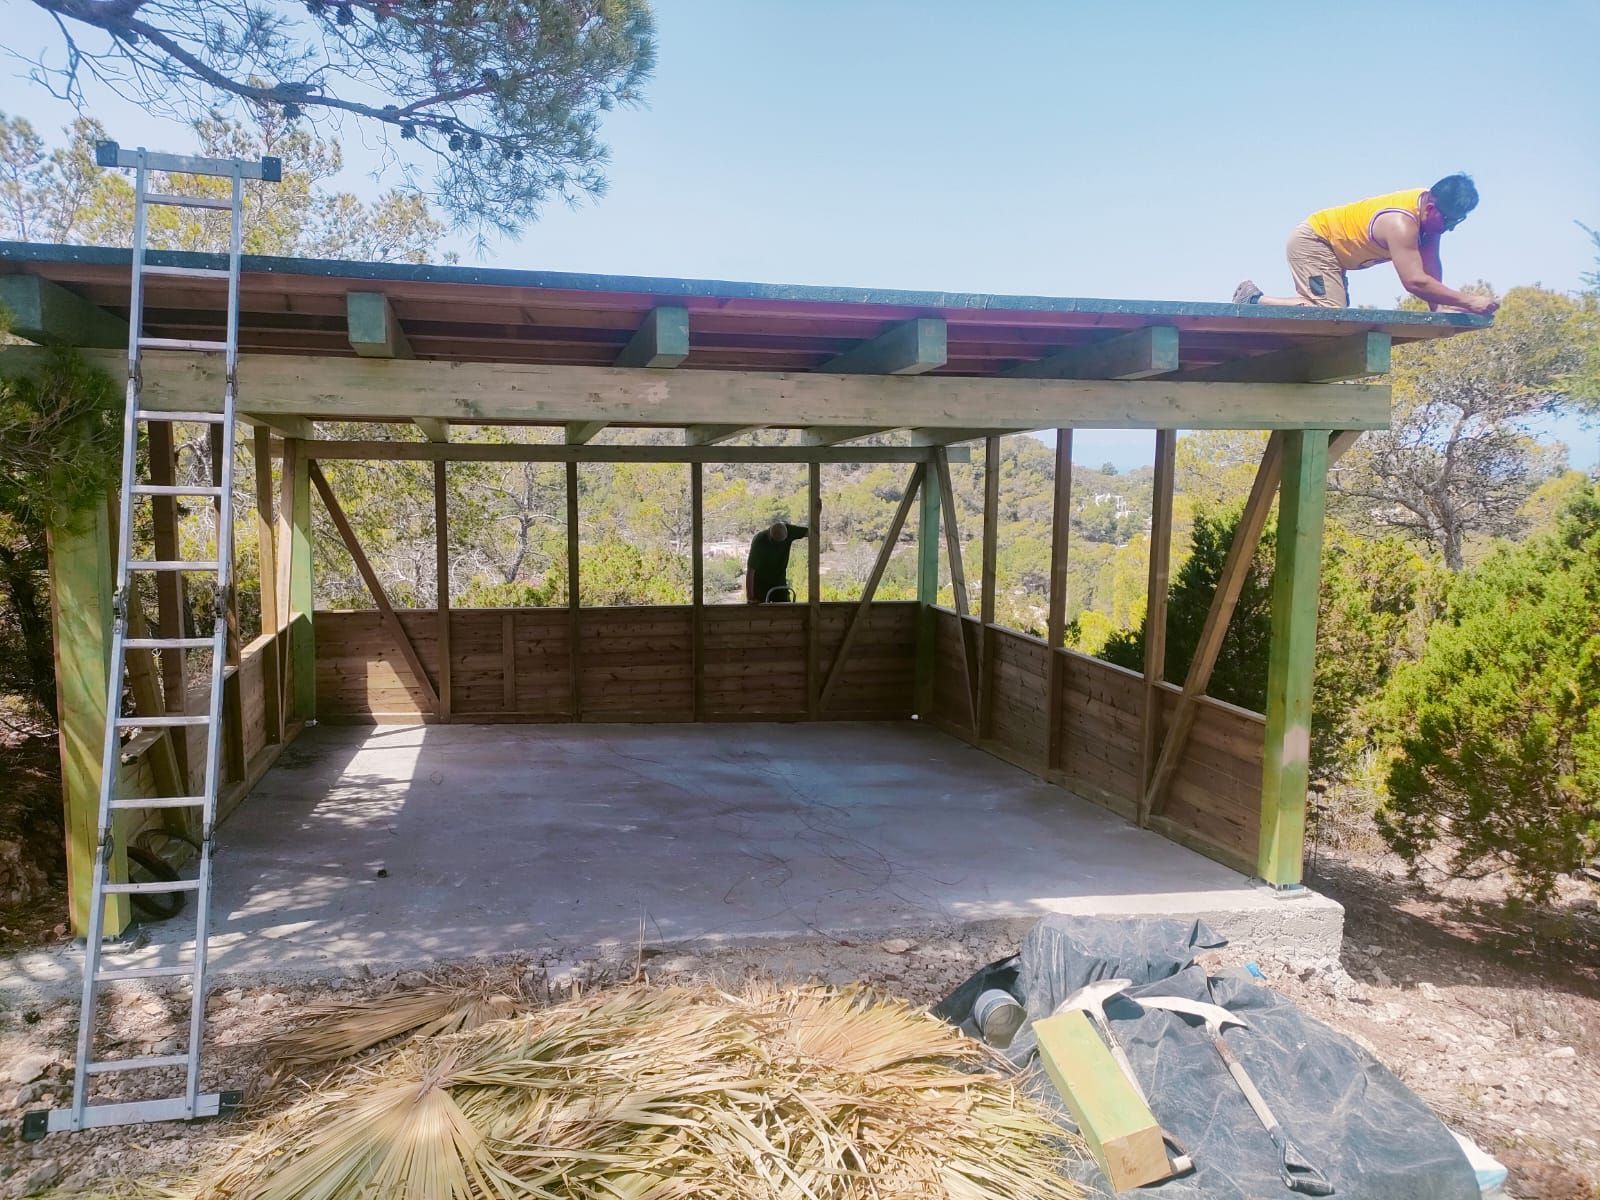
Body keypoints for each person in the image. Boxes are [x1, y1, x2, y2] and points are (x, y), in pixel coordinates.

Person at [1233, 174, 1498, 315]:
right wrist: (1469, 300)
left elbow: (1430, 269)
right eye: (1449, 220)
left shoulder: (1429, 217)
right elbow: (1415, 281)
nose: (1450, 228)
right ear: (1431, 208)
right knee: (1329, 312)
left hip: (1334, 253)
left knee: (1334, 312)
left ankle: (1257, 301)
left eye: (1458, 221)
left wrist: (1439, 308)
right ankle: (1254, 301)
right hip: (1314, 242)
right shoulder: (1400, 222)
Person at [745, 520, 808, 603]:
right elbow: (751, 571)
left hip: (779, 581)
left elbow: (812, 532)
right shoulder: (759, 541)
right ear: (769, 535)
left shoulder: (791, 530)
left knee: (785, 609)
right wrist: (750, 597)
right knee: (760, 611)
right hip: (761, 583)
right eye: (775, 542)